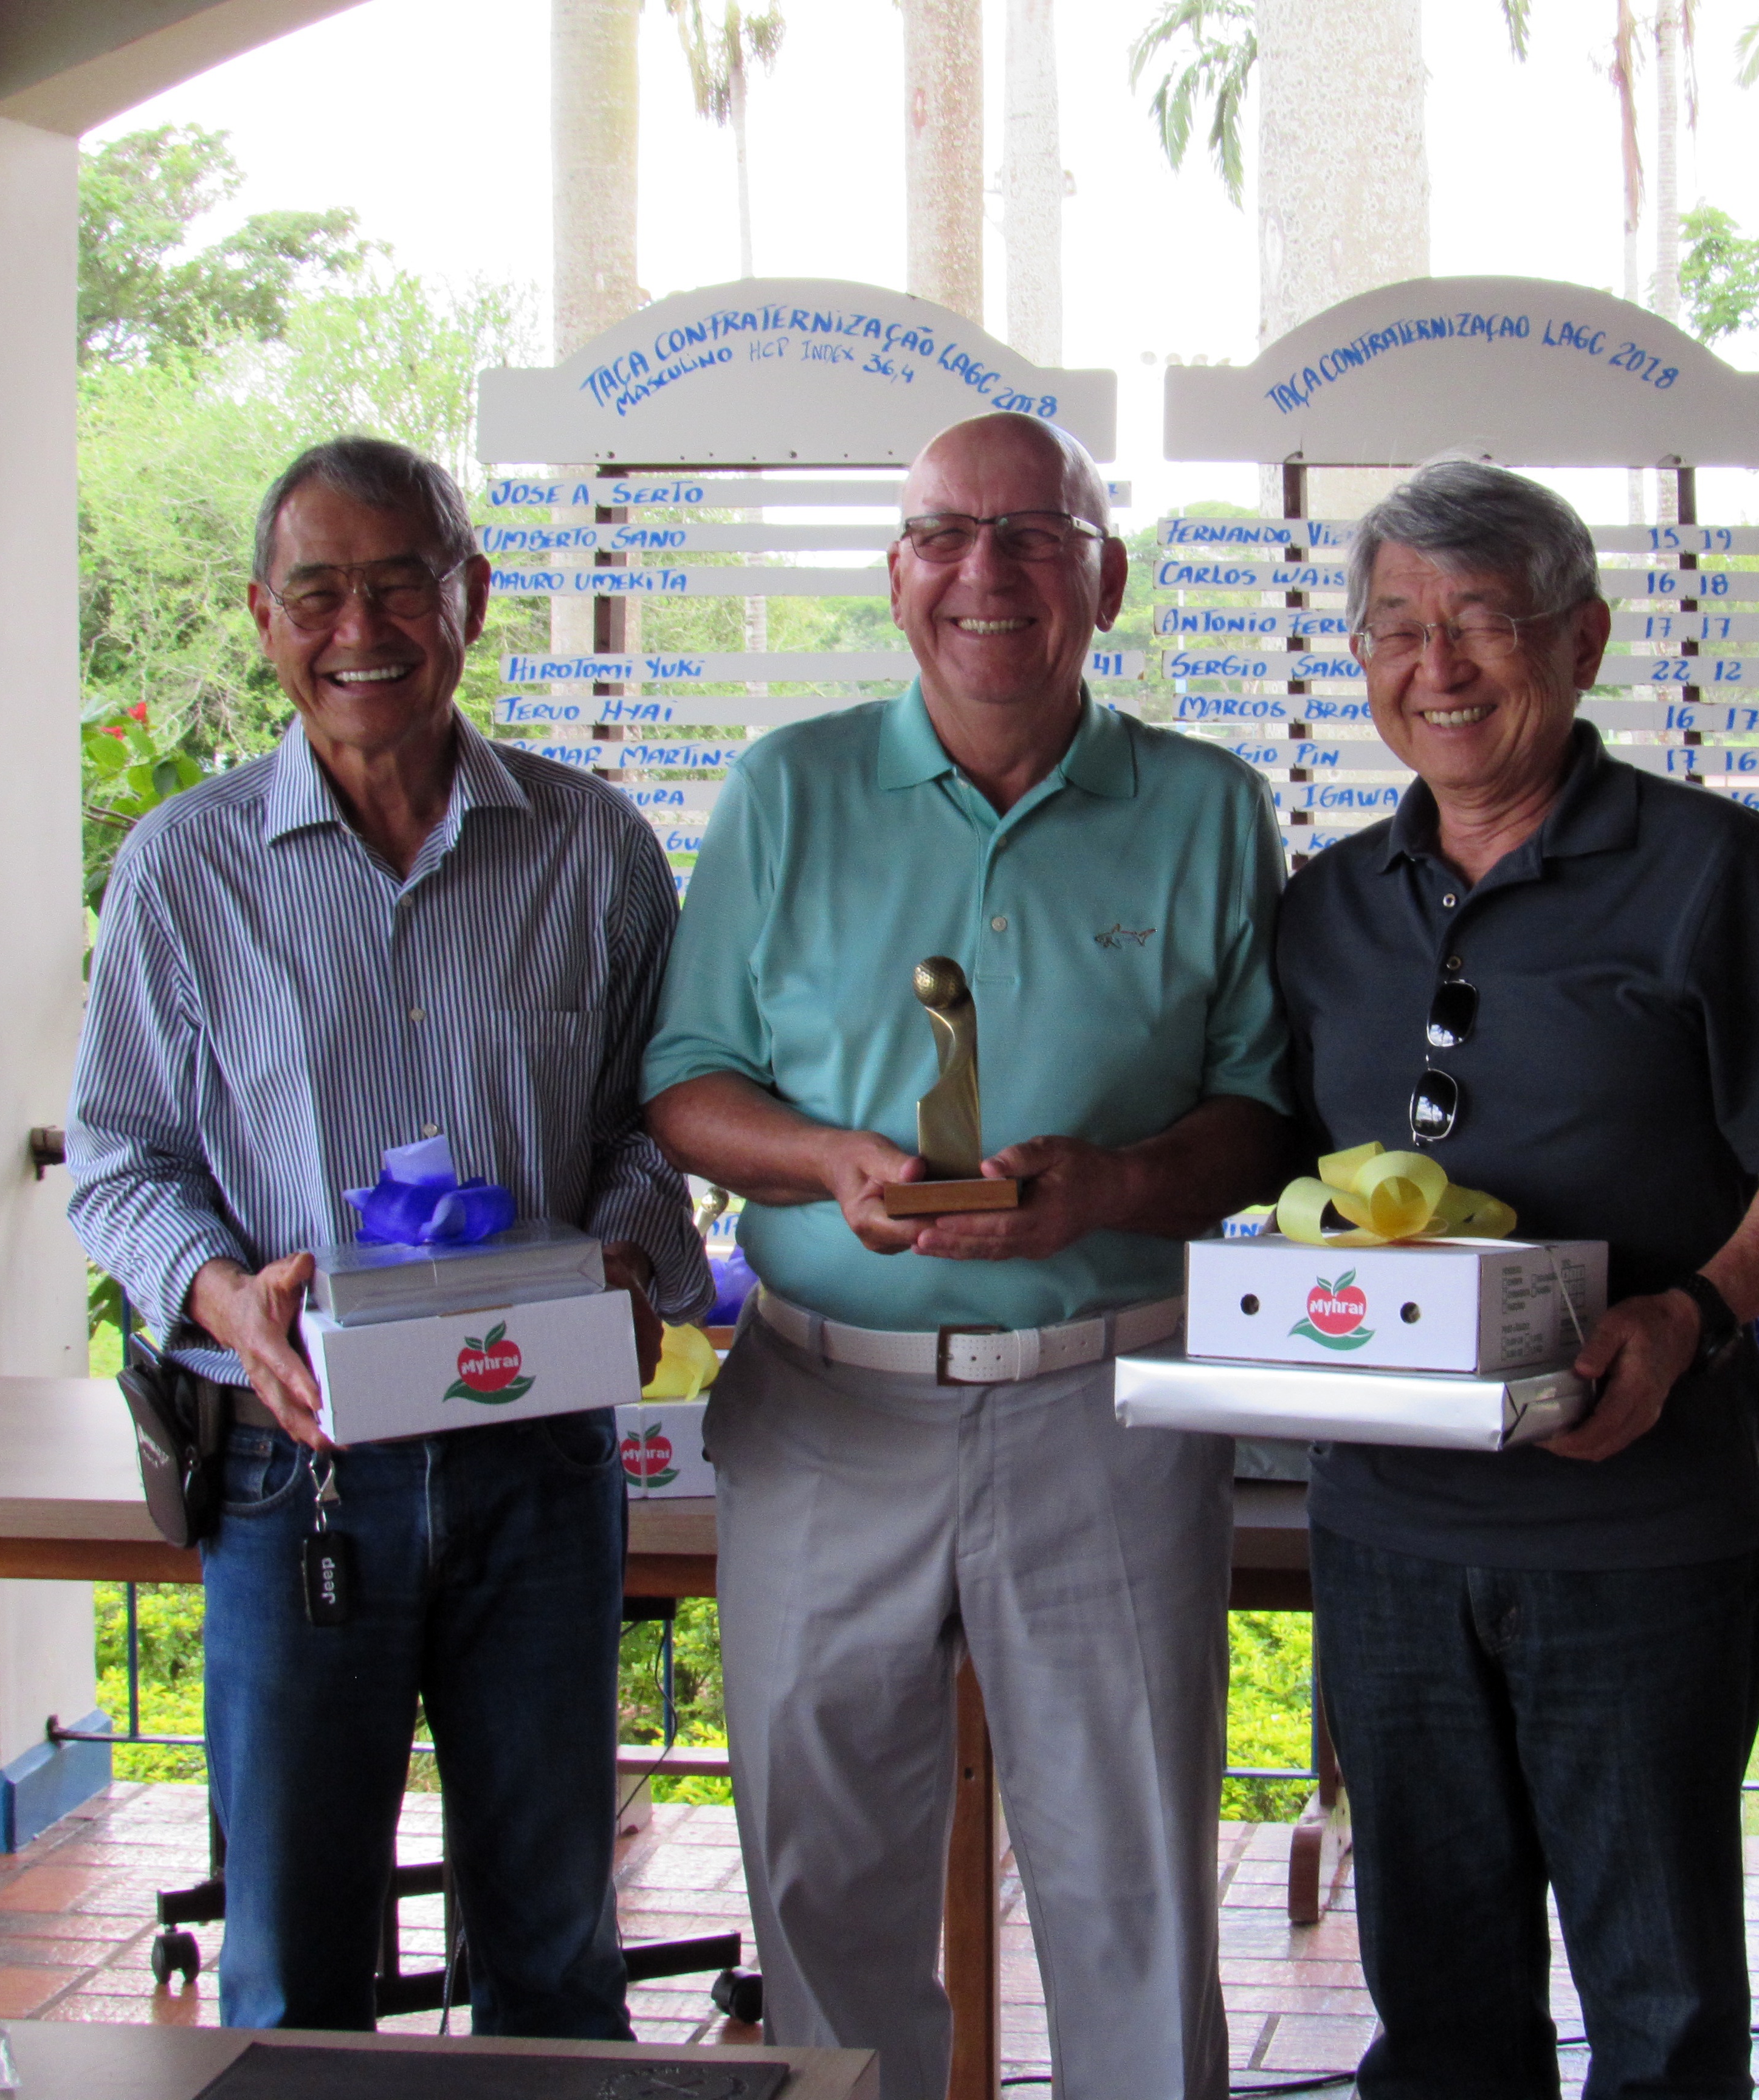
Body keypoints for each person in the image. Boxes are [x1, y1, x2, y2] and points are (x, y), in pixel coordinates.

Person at [641, 410, 1293, 2100]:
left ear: (1105, 574)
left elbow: (1263, 1120)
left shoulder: (1213, 810)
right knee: (820, 1879)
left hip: (1112, 1411)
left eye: (1033, 533)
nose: (984, 572)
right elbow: (684, 1087)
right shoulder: (788, 792)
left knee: (1134, 1881)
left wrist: (1118, 1184)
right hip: (824, 1415)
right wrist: (825, 1160)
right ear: (896, 573)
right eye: (945, 533)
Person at [67, 436, 709, 2035]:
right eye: (319, 592)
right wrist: (221, 1293)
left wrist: (623, 1258)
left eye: (399, 583)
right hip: (298, 1479)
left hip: (538, 1460)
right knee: (289, 1959)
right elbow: (119, 1160)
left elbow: (663, 1126)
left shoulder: (595, 850)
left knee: (556, 1945)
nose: (362, 627)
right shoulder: (183, 870)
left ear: (469, 596)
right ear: (266, 620)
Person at [1275, 458, 1759, 2099]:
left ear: (1587, 639)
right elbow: (1264, 1170)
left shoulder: (1712, 869)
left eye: (1485, 621)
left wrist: (1687, 1313)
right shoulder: (1330, 903)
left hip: (1638, 1534)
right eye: (1397, 626)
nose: (1440, 665)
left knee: (1663, 2000)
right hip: (1390, 1534)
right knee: (1440, 2000)